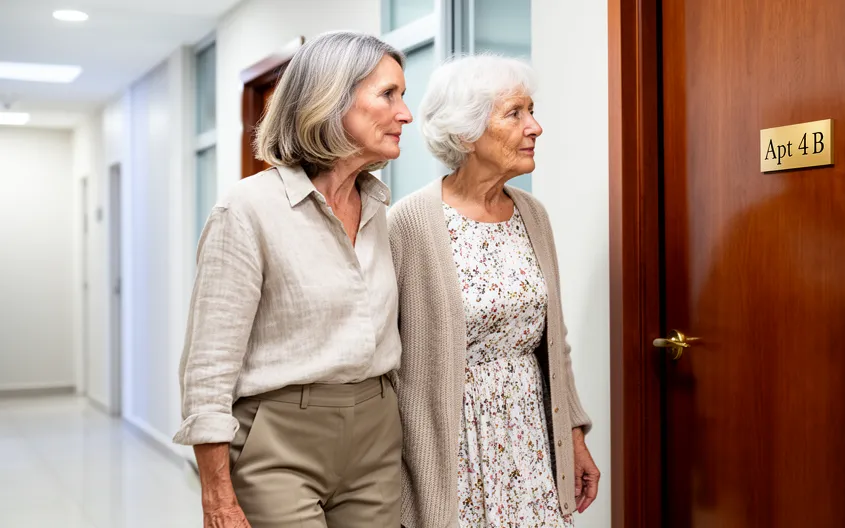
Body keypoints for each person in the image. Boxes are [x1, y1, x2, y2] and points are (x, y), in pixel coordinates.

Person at [172, 31, 411, 528]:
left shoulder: (379, 210)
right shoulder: (247, 210)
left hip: (376, 436)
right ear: (332, 98)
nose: (404, 114)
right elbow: (208, 368)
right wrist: (217, 495)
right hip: (279, 443)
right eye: (388, 95)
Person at [388, 55, 600, 527]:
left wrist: (574, 435)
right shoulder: (410, 223)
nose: (536, 127)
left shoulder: (533, 214)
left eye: (531, 110)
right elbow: (387, 358)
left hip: (531, 444)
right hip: (452, 450)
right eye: (515, 113)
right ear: (466, 134)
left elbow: (554, 342)